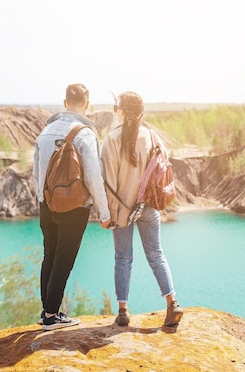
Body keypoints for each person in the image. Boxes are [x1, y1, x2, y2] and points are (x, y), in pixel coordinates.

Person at [33, 83, 113, 331]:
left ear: (65, 102)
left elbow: (36, 172)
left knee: (49, 256)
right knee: (64, 260)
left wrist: (43, 200)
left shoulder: (45, 132)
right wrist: (104, 211)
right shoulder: (85, 134)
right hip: (75, 208)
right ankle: (51, 316)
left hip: (47, 204)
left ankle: (47, 310)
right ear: (87, 105)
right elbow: (93, 176)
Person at [101, 91, 183, 329]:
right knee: (156, 254)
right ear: (142, 112)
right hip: (148, 206)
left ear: (121, 111)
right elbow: (164, 164)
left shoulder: (111, 139)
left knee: (123, 258)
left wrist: (106, 215)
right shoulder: (152, 136)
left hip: (122, 209)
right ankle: (172, 303)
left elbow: (108, 181)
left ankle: (123, 311)